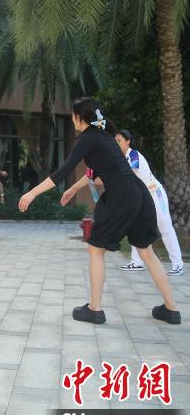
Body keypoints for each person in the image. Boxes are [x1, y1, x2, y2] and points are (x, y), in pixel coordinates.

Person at [19, 97, 180, 325]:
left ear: (78, 117)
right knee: (146, 251)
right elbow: (97, 171)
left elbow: (63, 171)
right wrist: (73, 189)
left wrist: (31, 193)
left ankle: (94, 309)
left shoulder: (88, 138)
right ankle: (172, 310)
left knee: (96, 249)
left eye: (72, 114)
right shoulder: (104, 136)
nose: (71, 118)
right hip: (139, 193)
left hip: (122, 196)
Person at [115, 130, 184, 276]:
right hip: (142, 196)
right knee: (136, 225)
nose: (116, 143)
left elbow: (128, 174)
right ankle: (136, 262)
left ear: (128, 142)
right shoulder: (122, 158)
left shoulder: (134, 155)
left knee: (165, 226)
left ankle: (178, 264)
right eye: (115, 141)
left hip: (155, 193)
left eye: (119, 141)